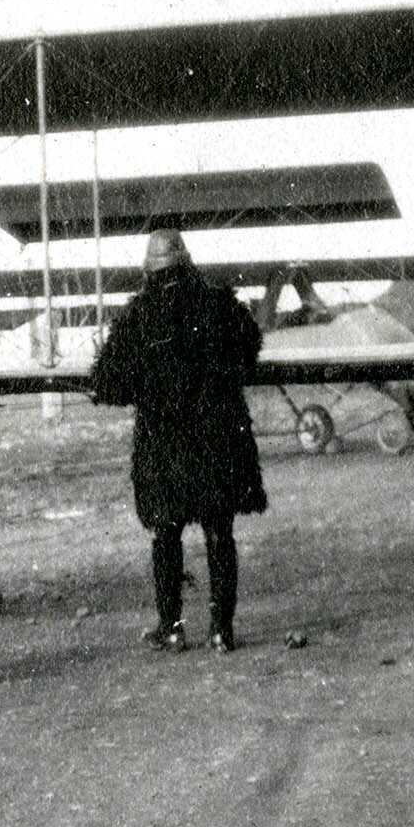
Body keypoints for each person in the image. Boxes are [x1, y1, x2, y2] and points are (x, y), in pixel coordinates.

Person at [90, 228, 267, 654]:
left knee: (165, 535)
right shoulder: (220, 303)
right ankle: (222, 630)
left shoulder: (138, 314)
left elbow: (107, 384)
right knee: (220, 533)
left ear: (150, 270)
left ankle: (172, 627)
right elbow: (251, 349)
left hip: (164, 444)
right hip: (218, 440)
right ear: (187, 263)